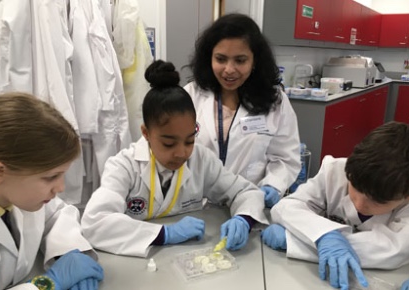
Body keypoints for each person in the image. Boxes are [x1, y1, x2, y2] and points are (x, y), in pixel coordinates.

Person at [81, 60, 268, 258]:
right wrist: (165, 234)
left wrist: (244, 219)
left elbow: (246, 192)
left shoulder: (201, 159)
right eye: (169, 144)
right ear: (146, 132)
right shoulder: (124, 166)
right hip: (140, 259)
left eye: (189, 141)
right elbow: (95, 222)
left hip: (189, 255)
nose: (181, 153)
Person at [261, 121, 409, 290]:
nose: (359, 204)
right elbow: (286, 206)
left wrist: (296, 241)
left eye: (376, 201)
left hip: (396, 273)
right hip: (317, 272)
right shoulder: (336, 169)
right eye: (354, 188)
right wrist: (325, 235)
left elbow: (391, 251)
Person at [184, 13, 301, 208]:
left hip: (250, 202)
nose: (229, 70)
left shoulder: (275, 101)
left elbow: (285, 158)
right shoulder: (191, 95)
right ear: (209, 58)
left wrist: (272, 186)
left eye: (240, 60)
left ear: (254, 61)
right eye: (221, 59)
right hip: (197, 203)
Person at [0, 93, 103, 290]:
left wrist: (68, 251)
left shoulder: (16, 193)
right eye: (51, 177)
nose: (61, 188)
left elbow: (57, 214)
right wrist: (47, 284)